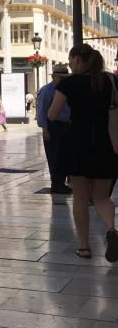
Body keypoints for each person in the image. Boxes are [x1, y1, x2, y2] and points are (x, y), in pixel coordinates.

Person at [47, 44, 118, 262]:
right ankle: (111, 231)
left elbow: (52, 113)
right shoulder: (109, 81)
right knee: (102, 198)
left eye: (71, 60)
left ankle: (85, 247)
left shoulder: (69, 83)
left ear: (78, 59)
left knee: (80, 197)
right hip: (103, 144)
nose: (70, 64)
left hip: (77, 143)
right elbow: (113, 114)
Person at [36, 64, 71, 195]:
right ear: (54, 77)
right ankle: (56, 184)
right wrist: (45, 129)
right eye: (61, 77)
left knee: (64, 155)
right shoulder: (46, 90)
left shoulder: (67, 89)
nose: (63, 80)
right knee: (54, 156)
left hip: (66, 125)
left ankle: (62, 182)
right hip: (53, 126)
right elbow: (41, 111)